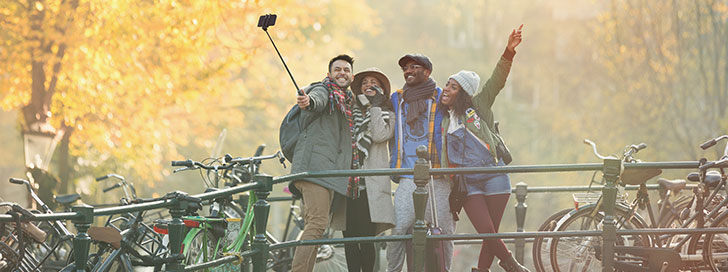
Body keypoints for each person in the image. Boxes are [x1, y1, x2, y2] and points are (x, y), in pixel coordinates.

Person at [438, 25, 528, 272]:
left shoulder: (478, 106)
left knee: (491, 232)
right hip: (468, 182)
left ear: (464, 93)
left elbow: (496, 81)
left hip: (494, 173)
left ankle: (483, 270)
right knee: (487, 231)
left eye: (453, 87)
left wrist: (508, 52)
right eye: (447, 84)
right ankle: (512, 264)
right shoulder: (443, 118)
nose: (447, 88)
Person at [289, 54, 358, 272]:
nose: (342, 73)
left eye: (346, 70)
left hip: (326, 171)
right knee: (317, 225)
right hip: (313, 170)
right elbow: (316, 100)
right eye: (337, 69)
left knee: (316, 227)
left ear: (352, 76)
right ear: (329, 74)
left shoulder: (347, 100)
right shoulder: (324, 90)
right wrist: (308, 102)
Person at [387, 53, 454, 271]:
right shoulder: (396, 99)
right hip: (408, 176)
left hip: (438, 177)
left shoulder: (442, 97)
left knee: (444, 232)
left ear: (427, 72)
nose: (408, 71)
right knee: (398, 230)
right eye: (405, 68)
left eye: (414, 67)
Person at [343, 67, 396, 272]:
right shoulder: (350, 111)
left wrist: (374, 107)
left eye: (374, 82)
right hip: (349, 181)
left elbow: (379, 136)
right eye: (364, 83)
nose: (368, 86)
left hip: (371, 185)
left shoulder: (388, 114)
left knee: (366, 237)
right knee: (349, 237)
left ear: (382, 89)